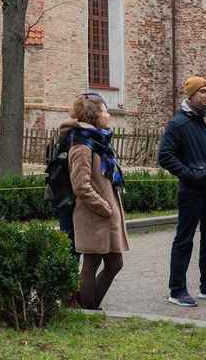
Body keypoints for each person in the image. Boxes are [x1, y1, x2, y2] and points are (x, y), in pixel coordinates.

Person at [157, 75, 206, 307]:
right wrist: (190, 173)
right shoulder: (178, 124)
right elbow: (165, 156)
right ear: (190, 95)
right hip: (191, 192)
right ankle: (177, 289)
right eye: (202, 91)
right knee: (184, 239)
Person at [59, 92, 128, 310]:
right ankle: (89, 309)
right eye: (105, 110)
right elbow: (81, 185)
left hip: (105, 213)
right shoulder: (81, 144)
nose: (108, 114)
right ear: (93, 114)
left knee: (114, 263)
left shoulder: (99, 140)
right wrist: (104, 207)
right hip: (93, 214)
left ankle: (86, 306)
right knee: (92, 263)